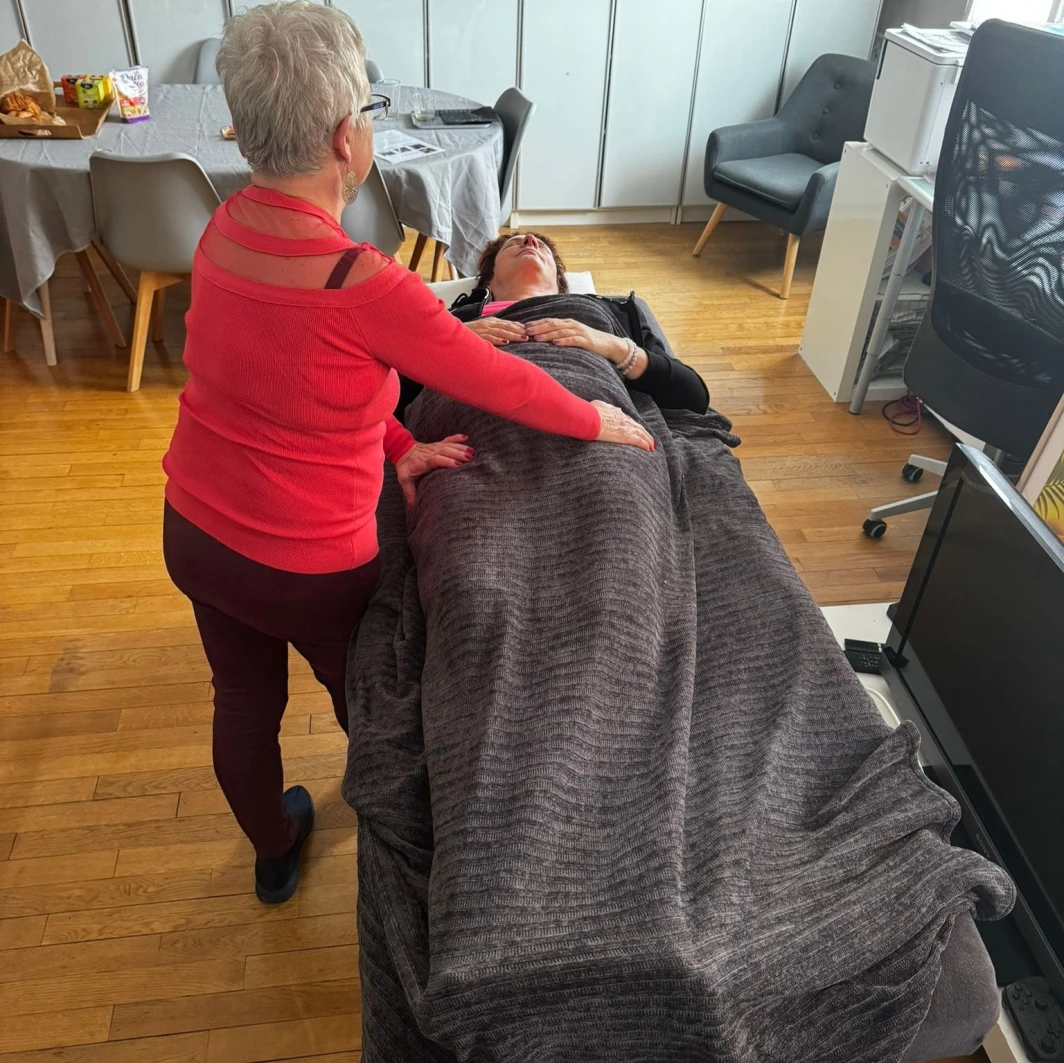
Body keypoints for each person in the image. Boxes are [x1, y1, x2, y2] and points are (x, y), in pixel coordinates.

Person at [160, 1, 653, 906]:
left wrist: (397, 443)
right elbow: (493, 377)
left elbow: (282, 384)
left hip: (193, 529)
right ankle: (412, 863)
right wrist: (592, 420)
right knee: (377, 706)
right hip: (307, 564)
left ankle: (274, 850)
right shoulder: (366, 283)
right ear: (345, 139)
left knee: (242, 701)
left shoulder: (221, 230)